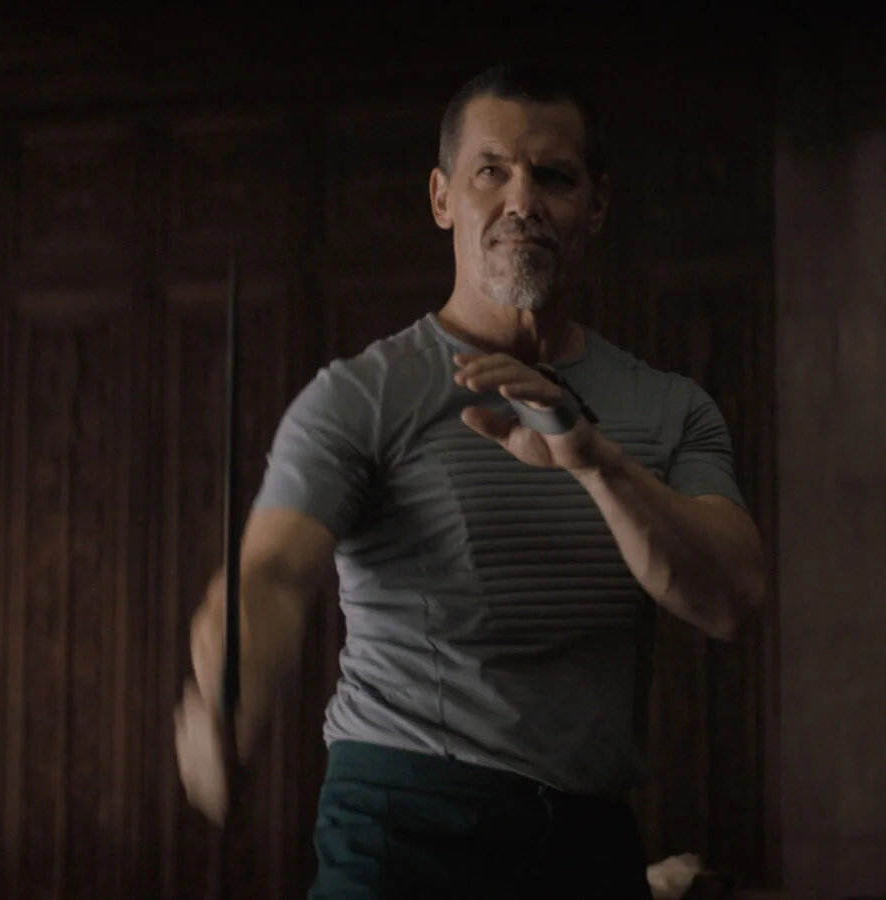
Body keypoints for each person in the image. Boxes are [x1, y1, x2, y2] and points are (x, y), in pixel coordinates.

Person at [174, 62, 766, 899]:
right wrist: (227, 694)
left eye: (553, 176)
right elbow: (270, 575)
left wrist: (595, 462)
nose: (522, 200)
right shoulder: (363, 393)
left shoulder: (671, 409)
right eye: (491, 171)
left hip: (590, 833)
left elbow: (732, 599)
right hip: (404, 821)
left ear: (596, 204)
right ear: (443, 198)